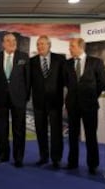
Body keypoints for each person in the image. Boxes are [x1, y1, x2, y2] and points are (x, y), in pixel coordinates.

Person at [64, 38, 105, 175]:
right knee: (72, 136)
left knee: (90, 136)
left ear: (80, 47)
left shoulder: (96, 62)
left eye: (72, 46)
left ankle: (93, 165)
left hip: (89, 105)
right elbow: (66, 83)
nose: (69, 49)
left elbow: (102, 83)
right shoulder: (67, 64)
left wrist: (91, 96)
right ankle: (72, 162)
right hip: (72, 105)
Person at [0, 32, 30, 168]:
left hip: (18, 99)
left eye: (14, 40)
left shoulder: (23, 57)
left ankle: (18, 158)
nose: (12, 43)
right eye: (8, 40)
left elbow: (28, 79)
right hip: (0, 98)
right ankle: (3, 155)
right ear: (3, 44)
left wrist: (25, 97)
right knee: (1, 129)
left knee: (19, 129)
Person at [30, 35, 65, 169]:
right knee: (40, 131)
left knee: (56, 132)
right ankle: (43, 157)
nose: (40, 46)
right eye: (38, 44)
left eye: (43, 44)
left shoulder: (60, 59)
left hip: (55, 102)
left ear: (49, 45)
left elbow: (65, 79)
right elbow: (28, 82)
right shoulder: (31, 61)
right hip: (38, 103)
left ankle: (56, 159)